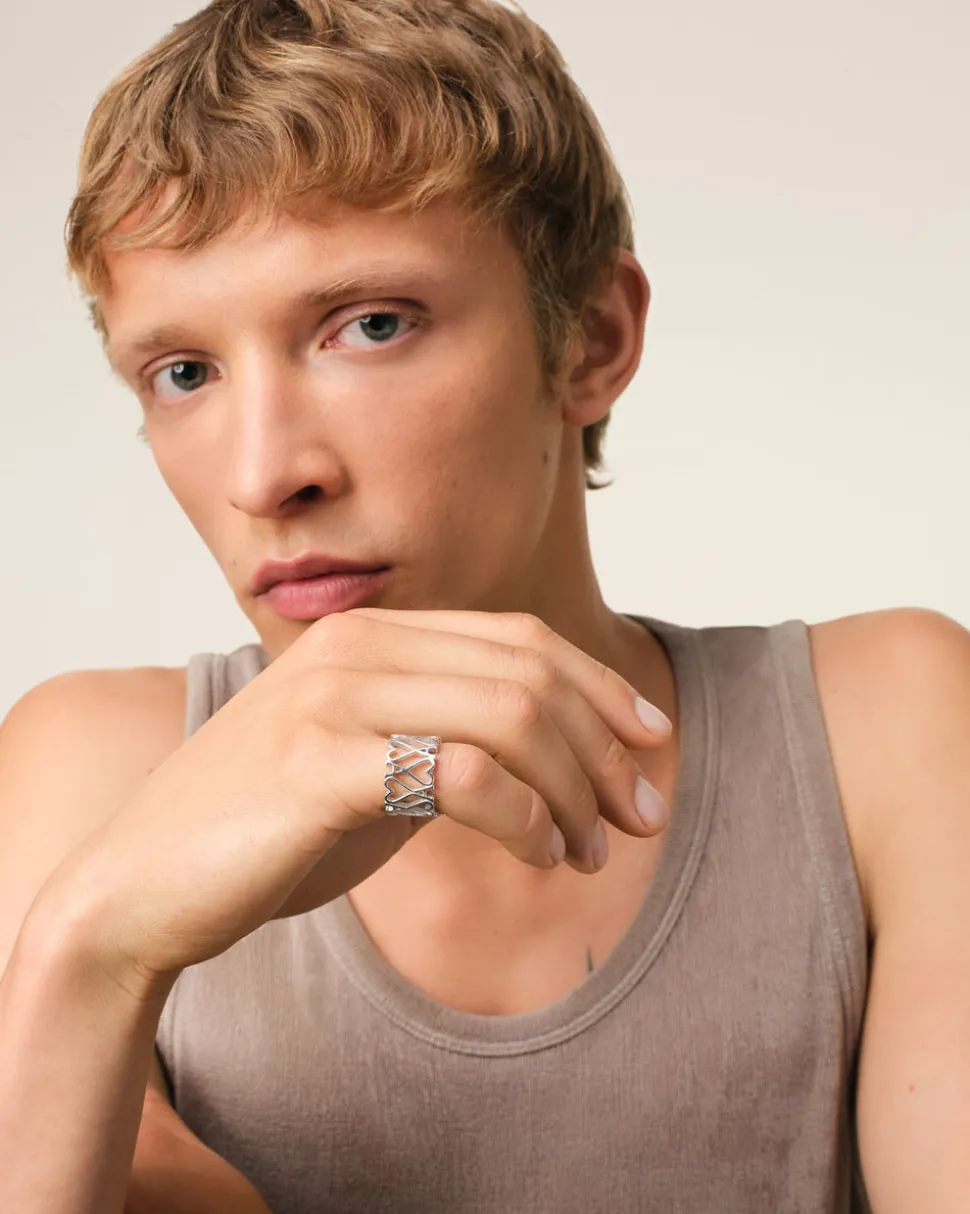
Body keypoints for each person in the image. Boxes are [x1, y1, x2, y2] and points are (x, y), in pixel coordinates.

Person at [0, 0, 967, 1210]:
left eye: (369, 325)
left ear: (591, 339)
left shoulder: (881, 727)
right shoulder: (96, 769)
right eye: (183, 372)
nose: (264, 474)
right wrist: (91, 946)